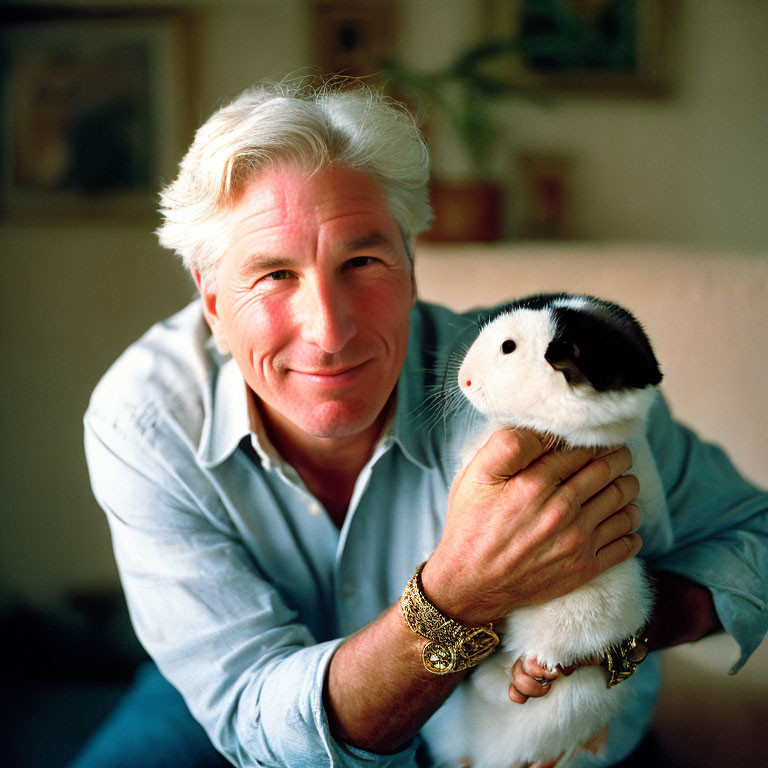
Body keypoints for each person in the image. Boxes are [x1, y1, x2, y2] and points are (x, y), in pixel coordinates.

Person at [75, 79, 768, 768]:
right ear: (212, 298)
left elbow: (755, 539)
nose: (329, 331)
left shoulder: (548, 391)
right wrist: (463, 590)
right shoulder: (143, 420)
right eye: (273, 276)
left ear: (411, 265)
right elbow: (258, 720)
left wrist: (613, 626)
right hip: (226, 696)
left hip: (502, 727)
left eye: (362, 261)